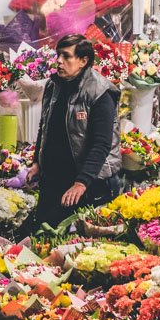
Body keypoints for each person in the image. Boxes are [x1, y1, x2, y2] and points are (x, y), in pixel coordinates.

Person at [29, 34, 121, 228]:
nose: (59, 61)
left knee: (73, 242)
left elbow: (101, 144)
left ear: (83, 61)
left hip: (86, 183)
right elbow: (44, 127)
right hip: (54, 179)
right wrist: (37, 162)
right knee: (44, 235)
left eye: (66, 56)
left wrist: (81, 182)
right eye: (58, 56)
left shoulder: (100, 92)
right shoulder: (53, 85)